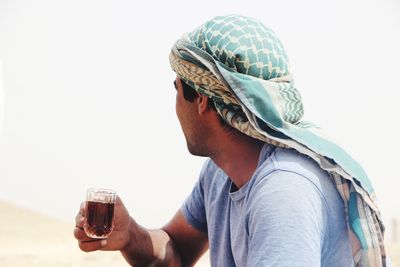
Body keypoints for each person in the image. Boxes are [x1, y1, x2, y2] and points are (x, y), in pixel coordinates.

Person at [74, 15, 387, 266]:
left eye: (177, 88)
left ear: (202, 100)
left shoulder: (283, 190)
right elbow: (176, 254)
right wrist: (129, 236)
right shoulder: (220, 172)